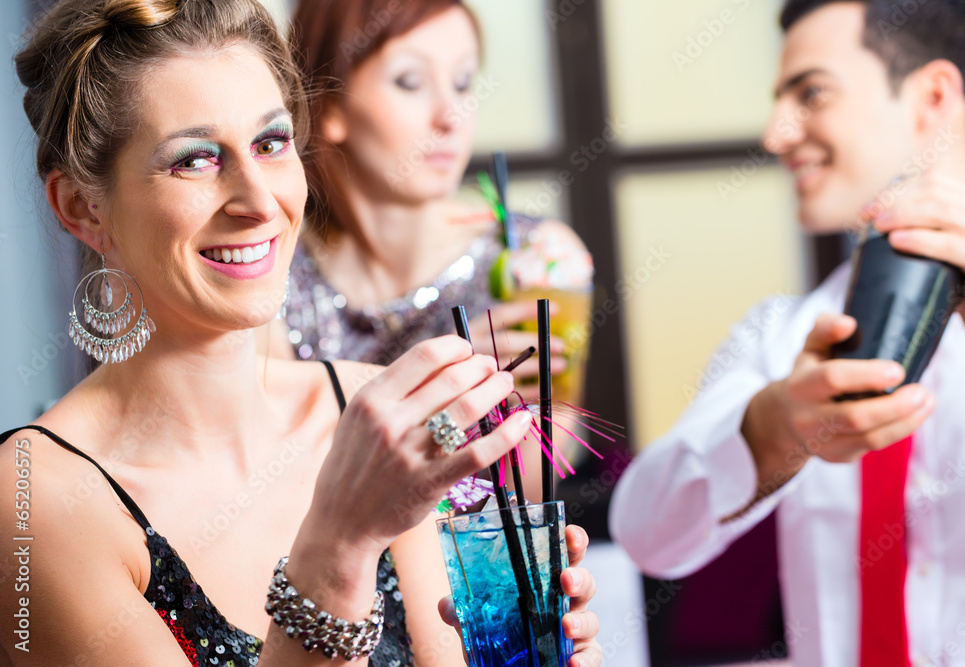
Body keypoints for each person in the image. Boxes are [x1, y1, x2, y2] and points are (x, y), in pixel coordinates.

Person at [0, 1, 602, 665]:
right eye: (195, 159)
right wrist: (340, 545)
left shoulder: (377, 414)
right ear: (82, 206)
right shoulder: (33, 502)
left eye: (270, 143)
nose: (260, 200)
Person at [610, 1, 965, 665]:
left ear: (932, 96)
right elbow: (647, 532)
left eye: (811, 92)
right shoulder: (779, 334)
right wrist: (774, 429)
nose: (775, 133)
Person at [261, 0, 593, 404]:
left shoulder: (537, 255)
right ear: (330, 105)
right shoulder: (269, 271)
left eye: (463, 81)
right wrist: (432, 389)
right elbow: (268, 456)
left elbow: (548, 453)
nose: (452, 116)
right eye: (411, 82)